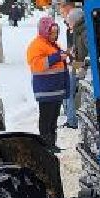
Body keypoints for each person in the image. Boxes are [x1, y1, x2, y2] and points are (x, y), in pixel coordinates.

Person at [26, 14, 70, 148]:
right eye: (52, 32)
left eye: (56, 33)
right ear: (45, 31)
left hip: (55, 89)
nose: (54, 35)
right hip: (46, 90)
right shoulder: (36, 45)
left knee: (53, 120)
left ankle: (52, 143)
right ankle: (45, 145)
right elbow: (37, 65)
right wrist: (56, 57)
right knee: (46, 120)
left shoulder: (52, 45)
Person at [60, 0, 86, 129]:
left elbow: (87, 56)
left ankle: (72, 120)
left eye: (69, 22)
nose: (67, 24)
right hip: (79, 65)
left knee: (68, 88)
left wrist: (76, 64)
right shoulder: (78, 31)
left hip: (83, 67)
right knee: (67, 85)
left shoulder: (83, 33)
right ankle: (71, 118)